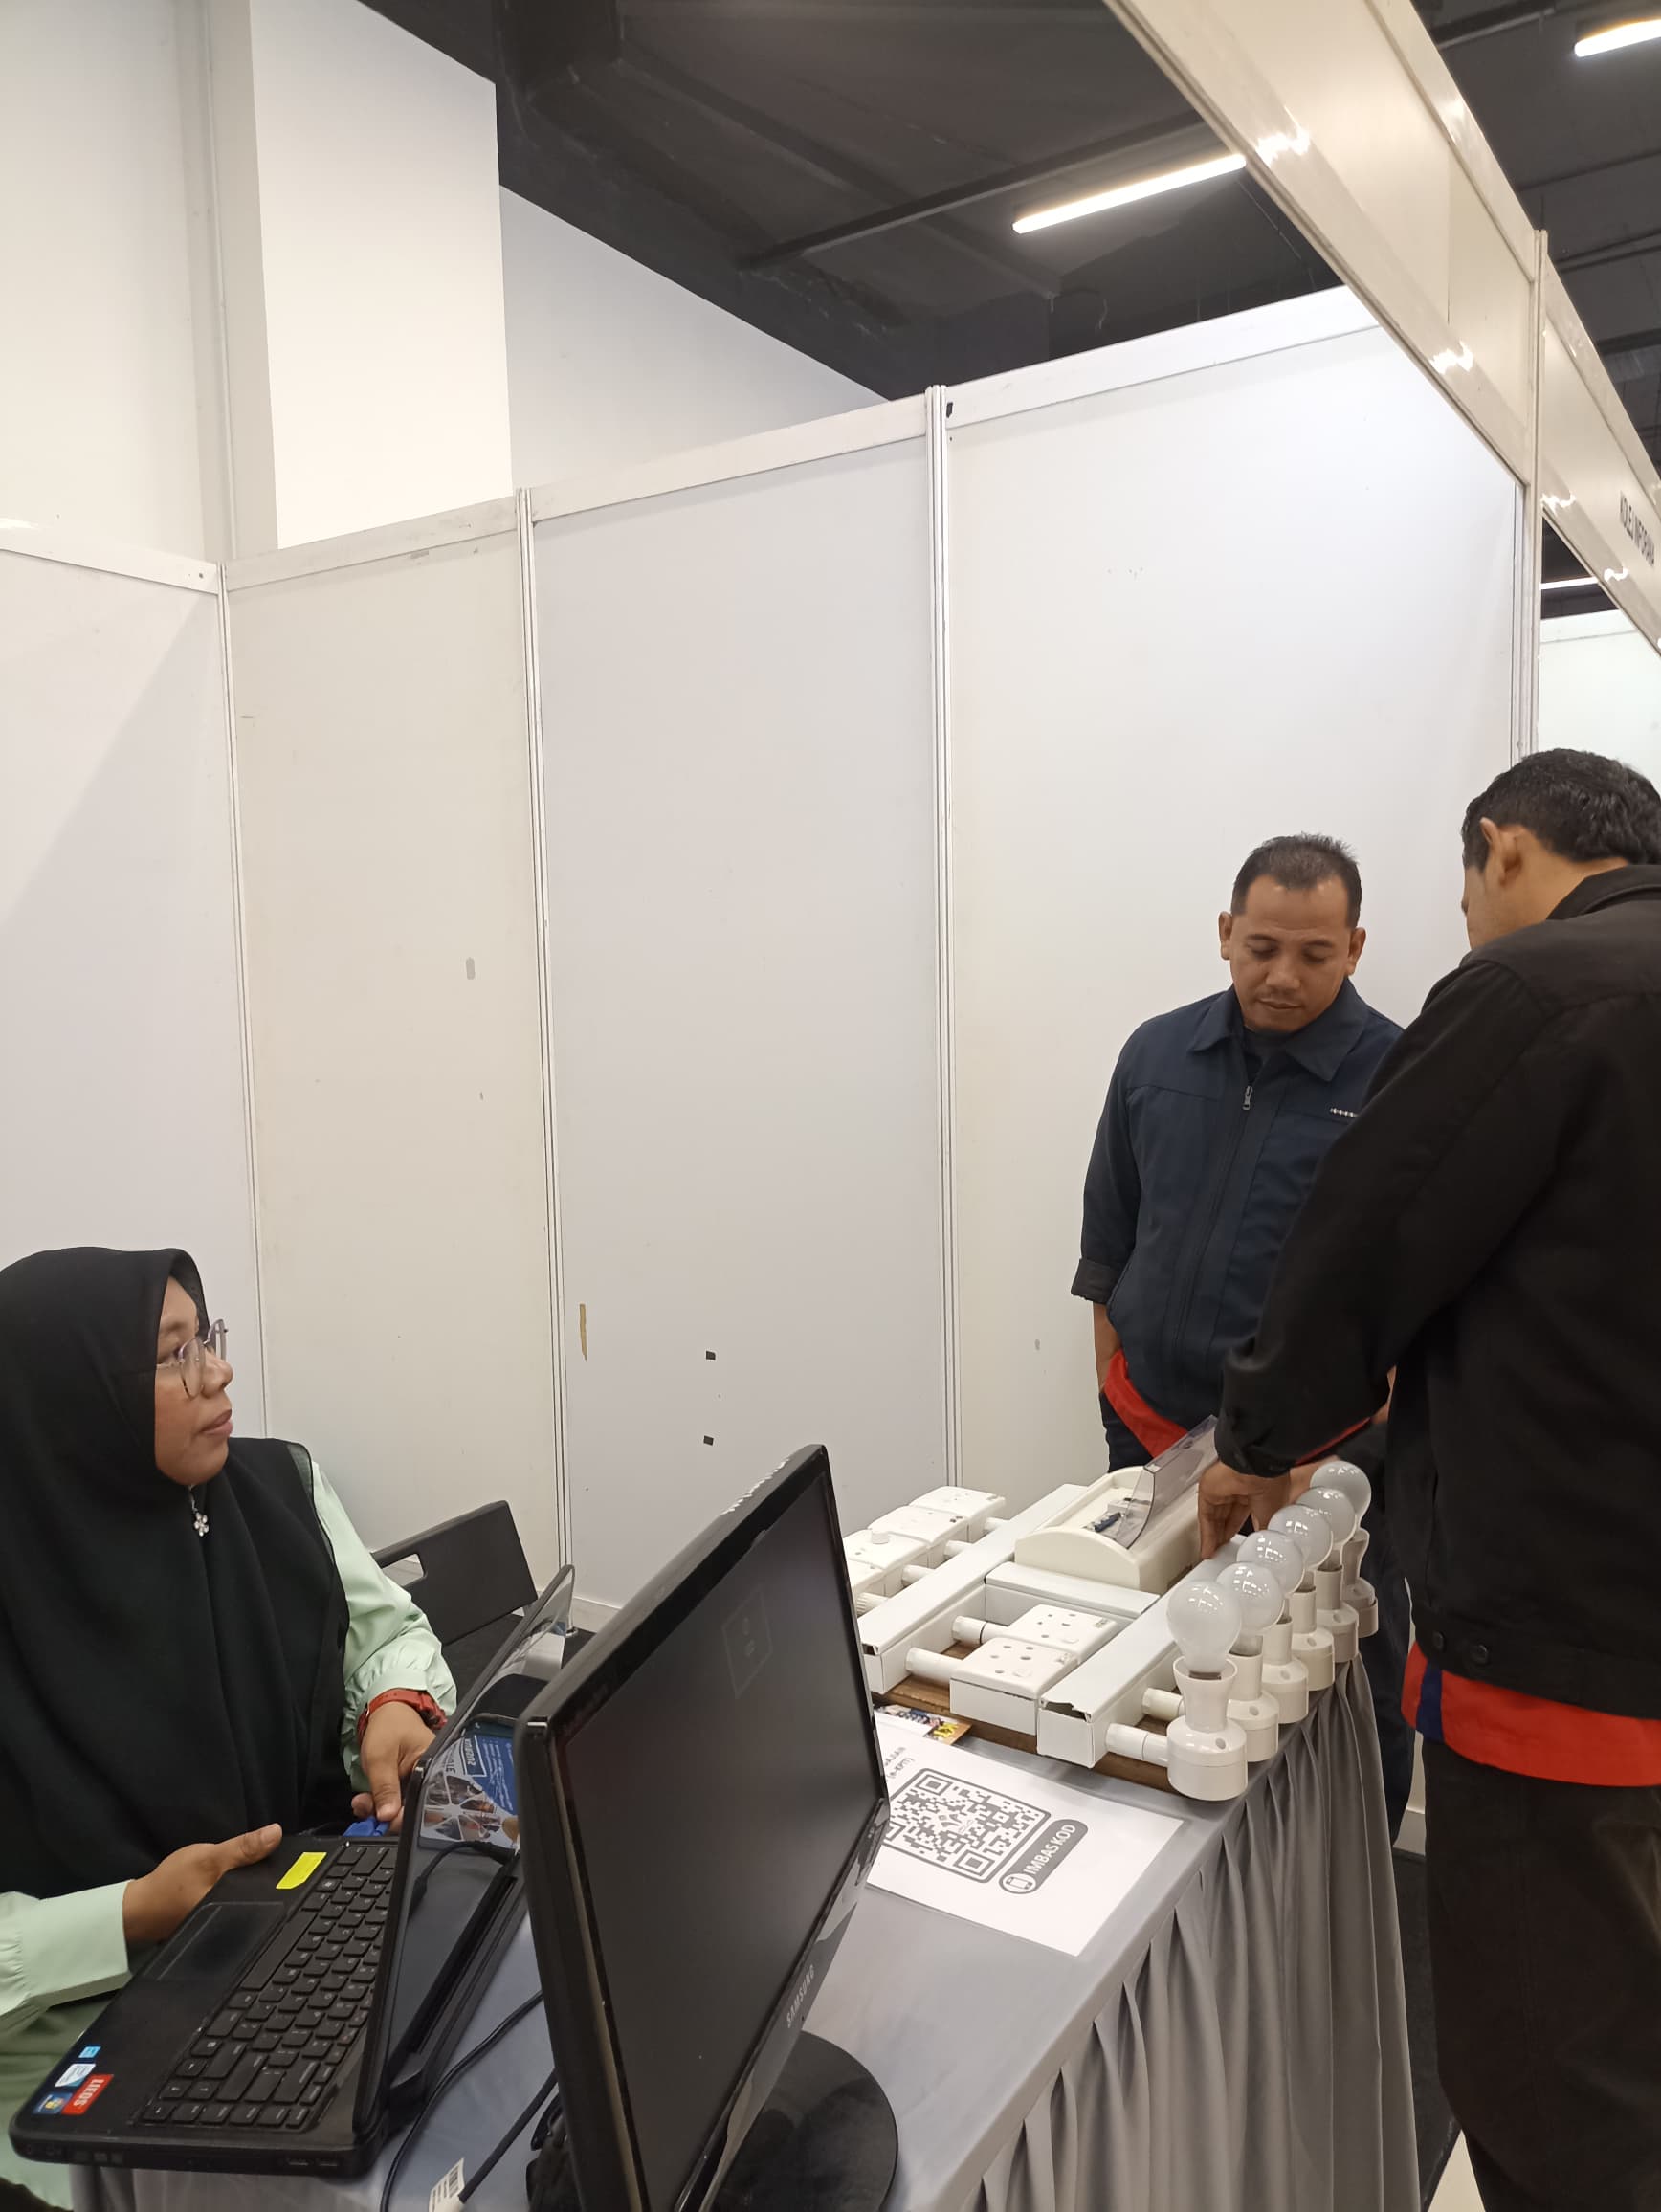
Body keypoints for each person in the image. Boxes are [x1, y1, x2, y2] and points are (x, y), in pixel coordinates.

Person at [1200, 751, 1661, 2212]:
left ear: (1502, 850)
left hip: (1566, 1623)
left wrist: (1258, 1441)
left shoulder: (1538, 991)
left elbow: (1368, 1244)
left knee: (1553, 2065)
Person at [0, 1247, 455, 2212]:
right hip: (78, 2058)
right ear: (74, 1405)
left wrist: (392, 1706)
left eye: (205, 1336)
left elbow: (388, 1634)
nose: (217, 1372)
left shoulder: (273, 1489)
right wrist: (131, 1912)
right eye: (174, 1355)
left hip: (287, 1956)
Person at [1072, 832, 1413, 1831]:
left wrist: (1338, 1458)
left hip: (1314, 1461)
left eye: (1314, 953)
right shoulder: (1154, 1054)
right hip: (1151, 1434)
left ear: (1355, 947)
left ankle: (1355, 1867)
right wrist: (1115, 1388)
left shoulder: (1401, 1077)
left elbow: (1416, 1287)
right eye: (1261, 946)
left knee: (1342, 1671)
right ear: (1225, 932)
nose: (1281, 976)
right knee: (1155, 1655)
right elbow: (1108, 1242)